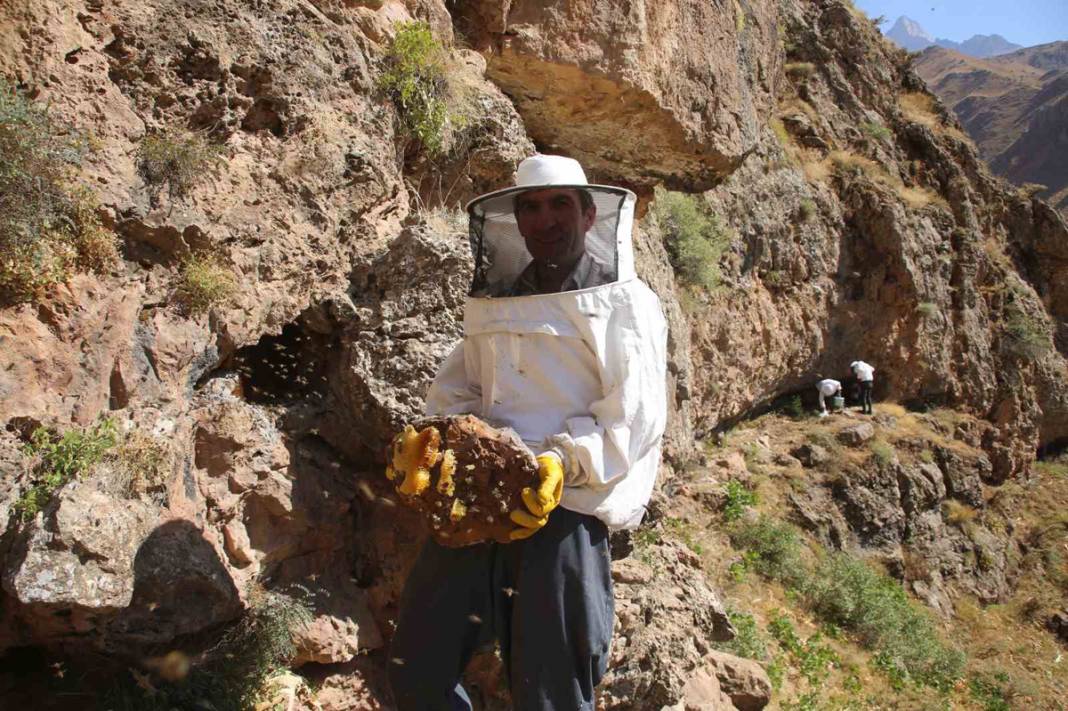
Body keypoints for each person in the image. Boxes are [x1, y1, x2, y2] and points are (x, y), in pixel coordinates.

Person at [388, 154, 668, 710]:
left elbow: (633, 415)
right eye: (531, 208)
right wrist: (431, 440)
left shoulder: (626, 303)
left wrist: (563, 462)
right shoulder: (500, 299)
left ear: (589, 215)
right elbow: (464, 387)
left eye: (560, 203)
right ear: (516, 221)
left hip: (564, 514)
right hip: (478, 500)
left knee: (550, 694)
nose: (546, 219)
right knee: (417, 671)